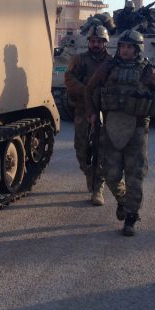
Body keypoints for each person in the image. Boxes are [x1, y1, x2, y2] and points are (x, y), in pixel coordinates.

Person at [84, 29, 155, 236]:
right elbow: (89, 90)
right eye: (122, 47)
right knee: (110, 174)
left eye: (129, 47)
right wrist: (91, 113)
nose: (125, 50)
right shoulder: (108, 67)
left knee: (135, 175)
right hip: (111, 126)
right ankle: (123, 200)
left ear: (137, 50)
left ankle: (131, 217)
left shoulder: (147, 72)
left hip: (137, 128)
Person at [64, 24, 111, 206]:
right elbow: (69, 78)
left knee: (102, 148)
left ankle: (99, 186)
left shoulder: (111, 62)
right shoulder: (79, 59)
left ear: (105, 42)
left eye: (99, 41)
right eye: (93, 41)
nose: (95, 44)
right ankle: (89, 173)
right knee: (81, 147)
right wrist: (86, 90)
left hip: (104, 110)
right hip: (83, 108)